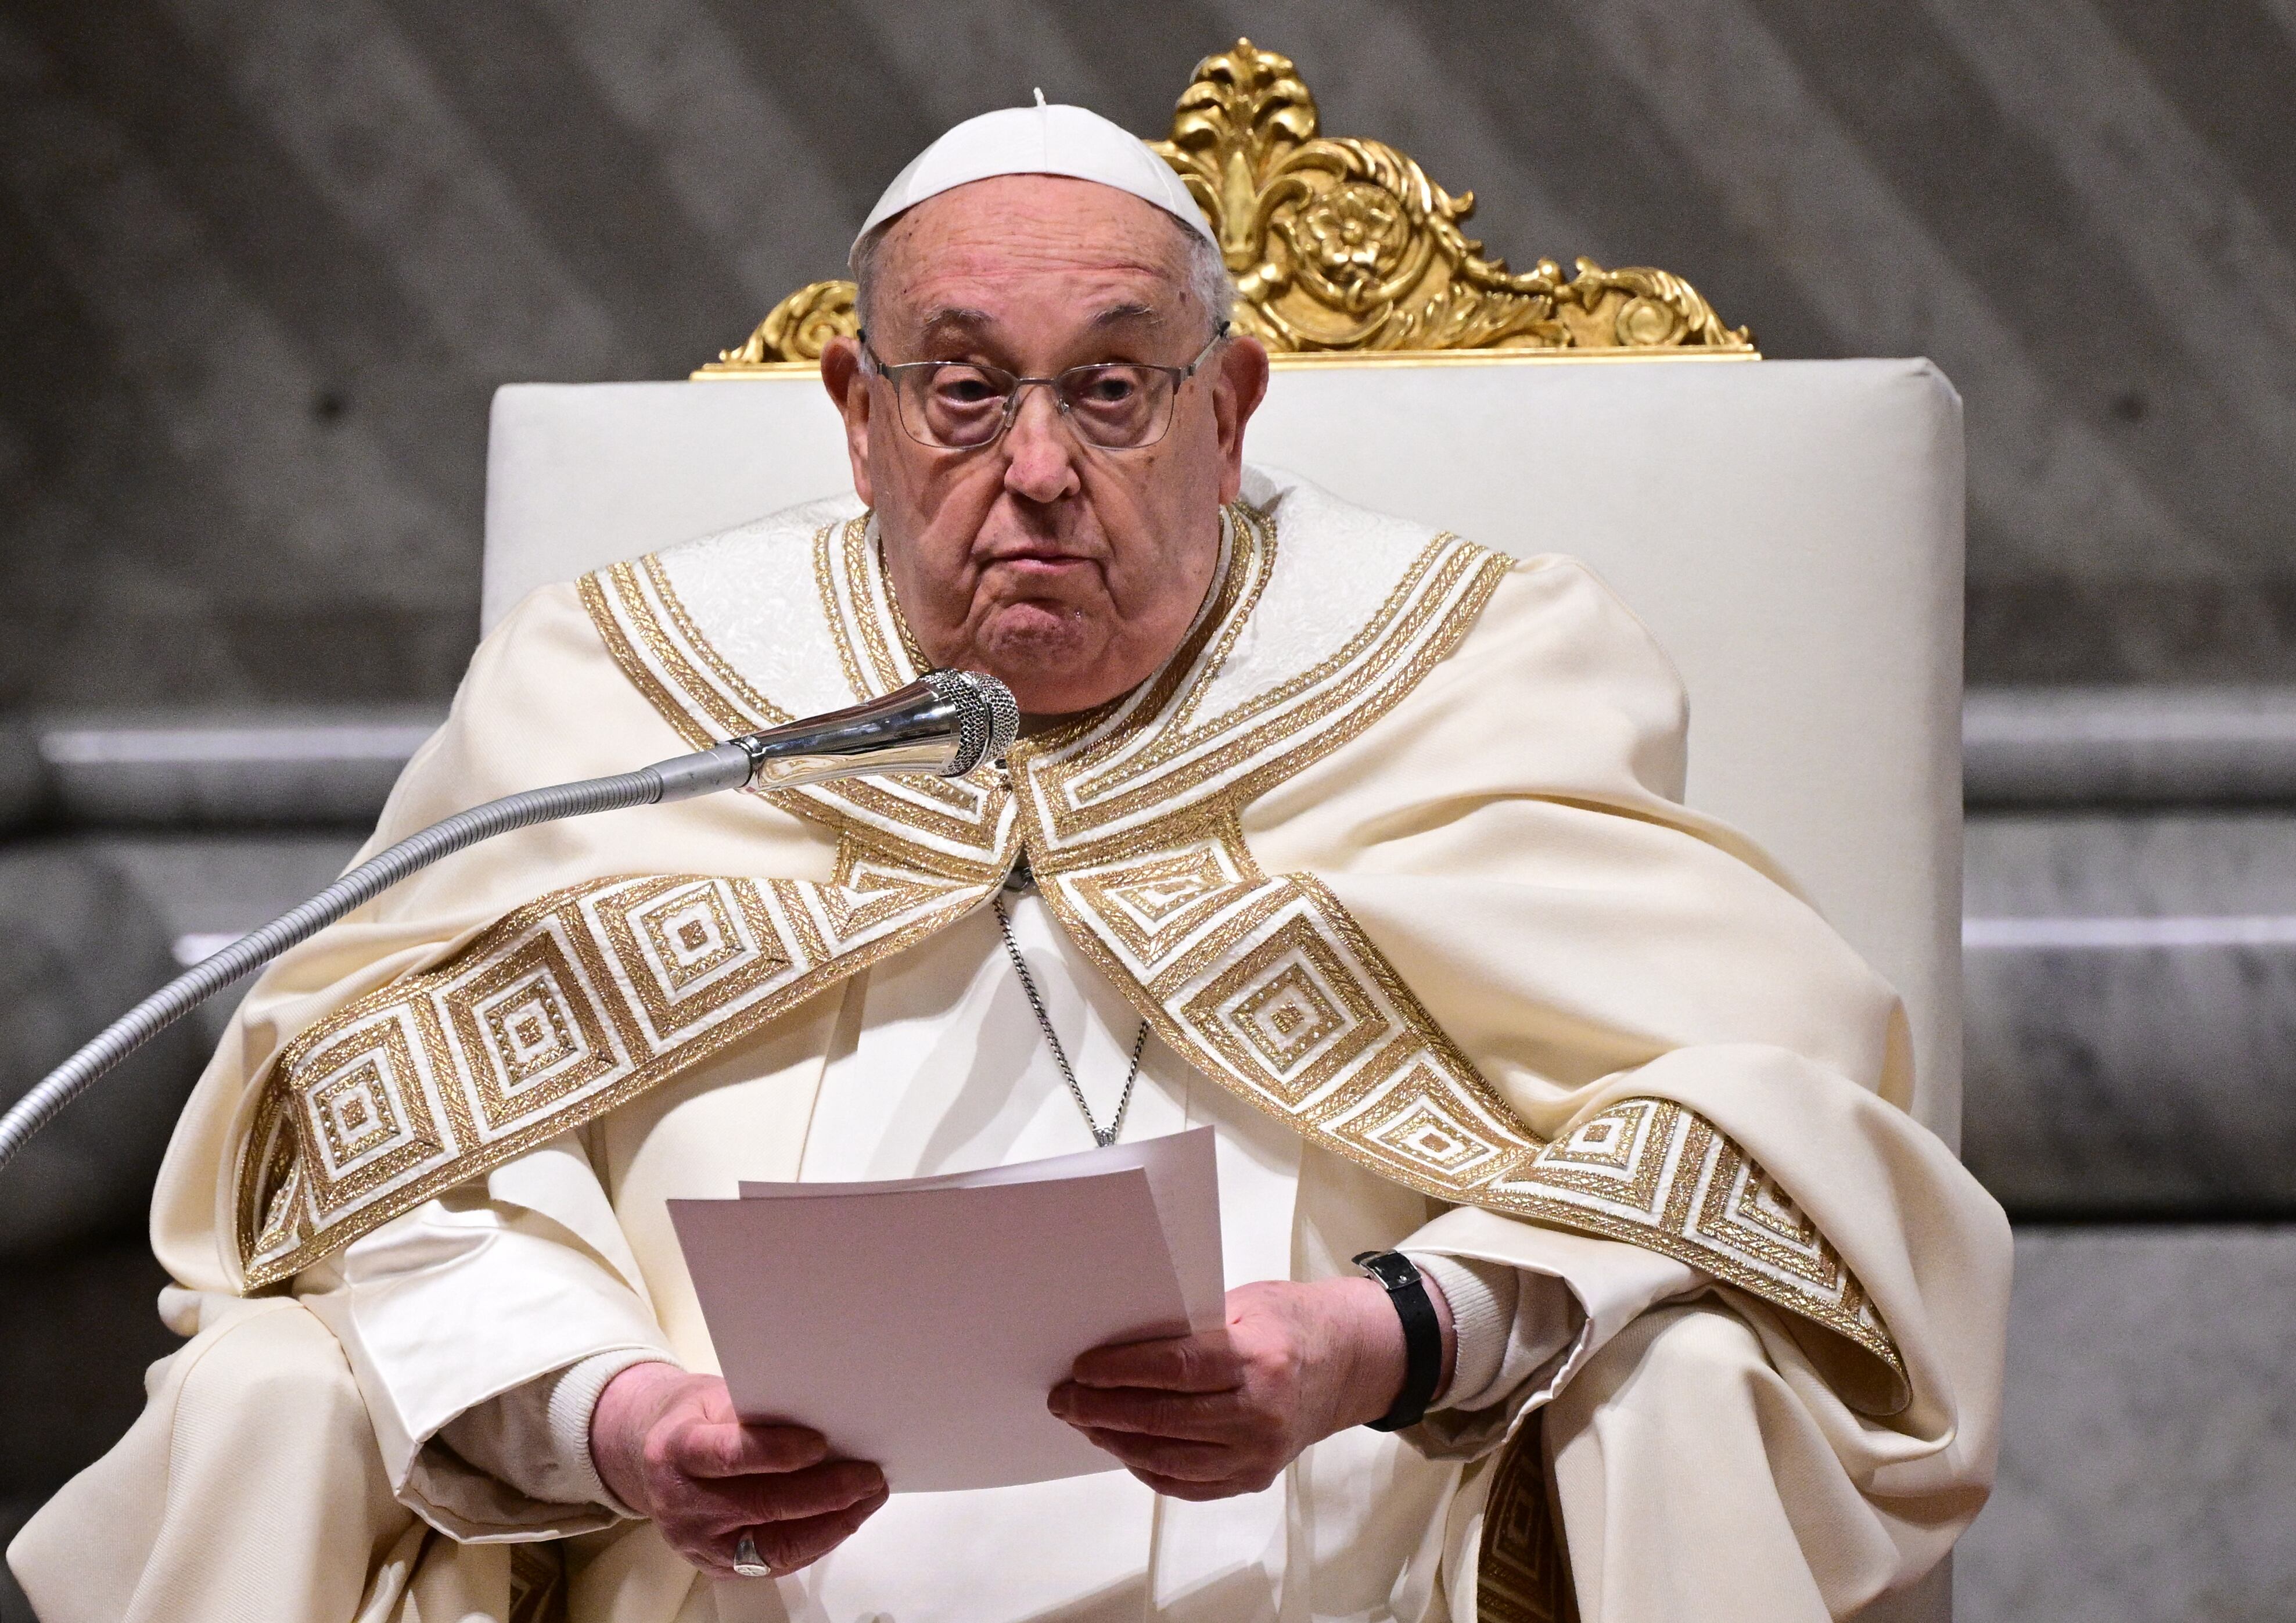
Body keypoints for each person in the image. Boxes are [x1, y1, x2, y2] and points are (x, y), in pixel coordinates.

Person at [10, 102, 2008, 1623]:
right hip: (701, 1569)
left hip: (1341, 1557)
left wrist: (1382, 1335)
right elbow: (384, 1139)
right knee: (270, 1390)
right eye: (963, 389)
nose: (1036, 468)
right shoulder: (621, 685)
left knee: (1687, 1366)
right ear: (858, 419)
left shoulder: (1466, 658)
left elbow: (1761, 1115)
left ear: (1224, 414)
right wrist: (609, 1412)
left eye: (1114, 387)